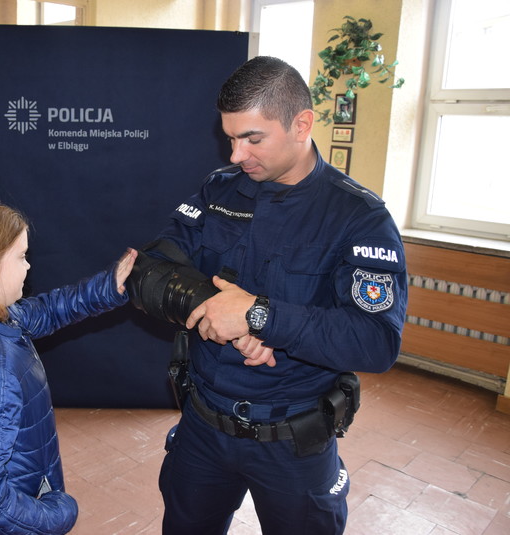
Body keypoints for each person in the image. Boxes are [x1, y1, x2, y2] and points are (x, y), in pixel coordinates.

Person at [148, 56, 408, 534]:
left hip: (294, 442)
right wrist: (222, 310)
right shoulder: (220, 190)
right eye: (231, 138)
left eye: (252, 138)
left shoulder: (359, 217)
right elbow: (153, 268)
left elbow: (376, 341)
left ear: (301, 124)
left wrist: (261, 317)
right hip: (203, 426)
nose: (236, 155)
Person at [0, 197, 137, 535]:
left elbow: (48, 310)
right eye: (21, 257)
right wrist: (56, 514)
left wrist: (107, 287)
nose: (28, 266)